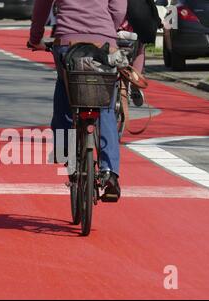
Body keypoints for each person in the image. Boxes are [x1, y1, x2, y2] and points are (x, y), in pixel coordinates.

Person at [28, 0, 127, 202]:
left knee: (65, 90)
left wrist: (35, 38)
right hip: (104, 43)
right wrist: (107, 29)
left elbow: (42, 6)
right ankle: (109, 172)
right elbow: (118, 9)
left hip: (67, 42)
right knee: (106, 105)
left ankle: (65, 148)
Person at [122, 0, 163, 106]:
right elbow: (150, 6)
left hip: (116, 23)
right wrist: (158, 21)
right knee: (140, 47)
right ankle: (136, 80)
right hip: (136, 22)